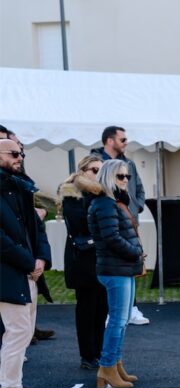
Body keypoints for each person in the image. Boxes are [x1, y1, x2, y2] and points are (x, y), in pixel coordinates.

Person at [0, 139, 52, 388]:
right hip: (9, 273)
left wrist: (41, 260)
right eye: (14, 153)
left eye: (21, 153)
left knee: (23, 332)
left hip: (29, 271)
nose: (20, 157)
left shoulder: (20, 187)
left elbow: (37, 229)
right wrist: (28, 262)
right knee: (16, 332)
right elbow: (2, 241)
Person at [88, 159, 144, 388]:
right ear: (108, 177)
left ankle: (115, 364)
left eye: (127, 176)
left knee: (121, 323)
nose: (125, 180)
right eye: (120, 176)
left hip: (121, 267)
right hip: (115, 269)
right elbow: (111, 238)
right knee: (117, 321)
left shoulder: (114, 202)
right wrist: (135, 253)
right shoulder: (104, 204)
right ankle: (107, 367)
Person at [93, 125, 149, 326]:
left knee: (130, 267)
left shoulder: (129, 164)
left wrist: (135, 207)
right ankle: (112, 311)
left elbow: (140, 189)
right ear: (110, 140)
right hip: (110, 220)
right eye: (122, 139)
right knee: (115, 264)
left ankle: (131, 308)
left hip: (129, 219)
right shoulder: (96, 163)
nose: (126, 143)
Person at [58, 155, 108, 369]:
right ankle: (88, 355)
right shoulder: (71, 192)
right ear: (83, 171)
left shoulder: (103, 193)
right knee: (87, 308)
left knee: (102, 308)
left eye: (101, 170)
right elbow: (83, 224)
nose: (98, 174)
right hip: (82, 259)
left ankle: (99, 352)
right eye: (94, 170)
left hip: (101, 258)